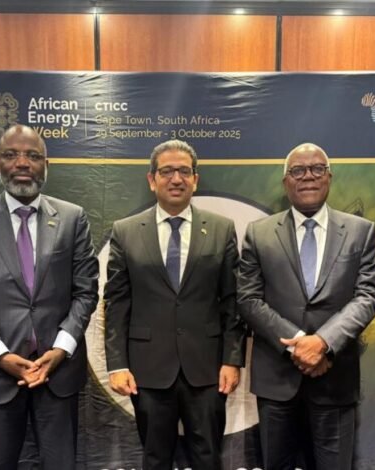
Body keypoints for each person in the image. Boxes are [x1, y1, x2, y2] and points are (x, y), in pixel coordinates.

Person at [0, 124, 99, 470]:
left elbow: (86, 291)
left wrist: (60, 350)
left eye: (33, 156)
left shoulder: (72, 218)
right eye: (11, 155)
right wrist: (0, 354)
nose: (23, 163)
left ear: (46, 165)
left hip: (57, 374)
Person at [237, 143, 375, 470]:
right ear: (285, 181)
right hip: (277, 380)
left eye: (317, 169)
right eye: (298, 170)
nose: (308, 176)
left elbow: (368, 295)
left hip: (335, 378)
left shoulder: (360, 232)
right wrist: (300, 345)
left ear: (329, 176)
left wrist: (324, 343)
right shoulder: (259, 234)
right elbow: (247, 298)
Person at [104, 139, 246, 470]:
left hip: (207, 368)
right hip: (148, 369)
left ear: (195, 179)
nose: (176, 179)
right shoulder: (126, 232)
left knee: (208, 458)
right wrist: (117, 365)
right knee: (155, 458)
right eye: (167, 171)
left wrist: (232, 359)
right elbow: (117, 302)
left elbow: (232, 301)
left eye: (184, 171)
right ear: (152, 180)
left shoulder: (221, 229)